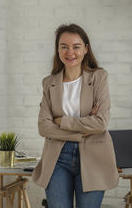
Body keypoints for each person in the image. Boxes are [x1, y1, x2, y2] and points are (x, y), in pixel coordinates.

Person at [32, 24, 119, 208]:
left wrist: (61, 121)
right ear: (57, 49)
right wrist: (81, 131)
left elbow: (100, 124)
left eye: (76, 46)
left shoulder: (98, 78)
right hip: (57, 158)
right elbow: (44, 127)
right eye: (64, 46)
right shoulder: (49, 83)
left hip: (93, 156)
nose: (70, 52)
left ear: (86, 49)